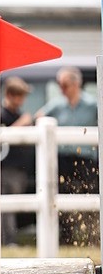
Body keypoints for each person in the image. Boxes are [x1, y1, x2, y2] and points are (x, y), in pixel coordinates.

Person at [37, 66, 99, 246]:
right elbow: (39, 117)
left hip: (87, 159)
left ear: (76, 84)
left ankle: (93, 235)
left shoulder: (92, 104)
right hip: (63, 158)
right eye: (59, 84)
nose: (61, 88)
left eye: (64, 84)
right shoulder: (57, 104)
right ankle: (65, 237)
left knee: (90, 194)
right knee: (61, 194)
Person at [0, 76, 34, 246]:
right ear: (9, 95)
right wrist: (23, 123)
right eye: (19, 96)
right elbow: (0, 136)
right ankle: (8, 241)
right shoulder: (0, 114)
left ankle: (9, 239)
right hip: (7, 168)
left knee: (12, 206)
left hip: (19, 169)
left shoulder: (17, 114)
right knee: (6, 206)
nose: (22, 100)